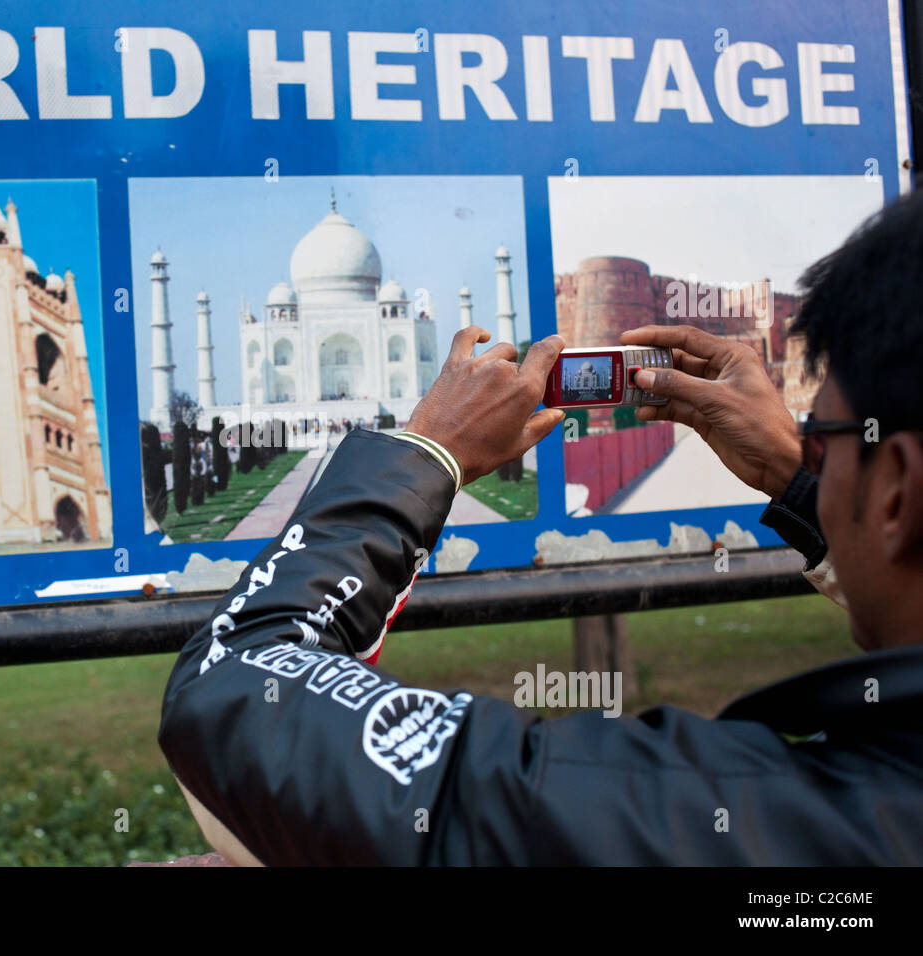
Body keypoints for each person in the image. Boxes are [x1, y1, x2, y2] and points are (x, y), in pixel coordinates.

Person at [157, 190, 923, 865]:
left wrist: (426, 454)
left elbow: (232, 688)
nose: (808, 462)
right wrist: (801, 480)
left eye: (819, 438)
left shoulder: (721, 817)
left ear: (896, 490)